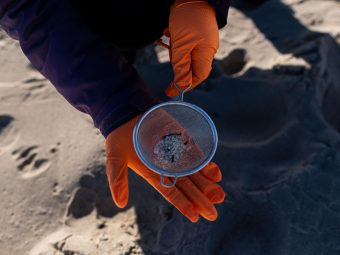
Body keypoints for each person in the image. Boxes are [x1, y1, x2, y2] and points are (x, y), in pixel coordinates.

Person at [0, 0, 230, 223]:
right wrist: (115, 99)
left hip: (161, 14)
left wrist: (198, 2)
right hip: (88, 19)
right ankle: (123, 58)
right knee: (113, 44)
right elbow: (28, 7)